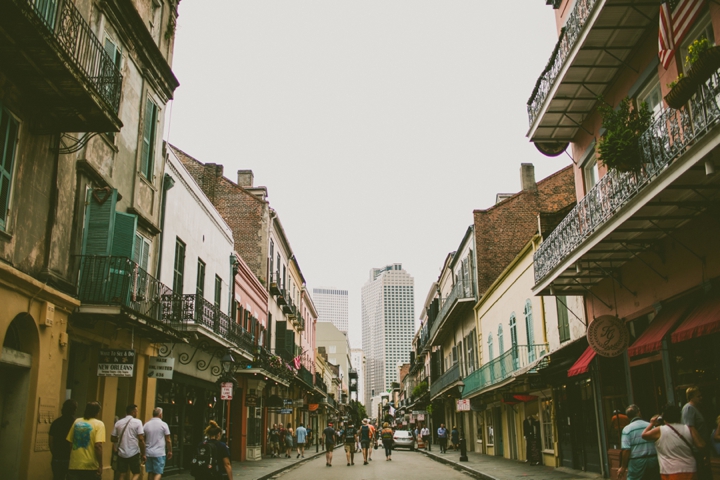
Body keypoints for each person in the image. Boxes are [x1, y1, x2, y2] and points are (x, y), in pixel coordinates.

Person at [642, 404, 706, 480]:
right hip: (690, 469)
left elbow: (644, 435)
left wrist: (652, 423)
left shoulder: (660, 430)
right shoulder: (689, 428)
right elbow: (701, 445)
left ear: (664, 418)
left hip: (670, 470)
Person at [617, 405, 659, 480]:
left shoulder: (627, 429)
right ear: (639, 413)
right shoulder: (650, 426)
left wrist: (623, 467)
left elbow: (626, 450)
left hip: (636, 462)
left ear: (627, 417)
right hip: (653, 459)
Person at [67, 401, 105, 480]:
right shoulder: (99, 424)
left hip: (75, 464)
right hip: (90, 466)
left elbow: (70, 443)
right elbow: (98, 446)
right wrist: (100, 465)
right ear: (97, 412)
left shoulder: (77, 422)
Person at [111, 404, 145, 480]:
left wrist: (122, 439)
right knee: (136, 473)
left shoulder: (118, 422)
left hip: (121, 453)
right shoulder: (138, 422)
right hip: (134, 452)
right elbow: (141, 439)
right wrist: (144, 453)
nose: (137, 413)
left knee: (122, 474)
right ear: (133, 412)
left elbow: (112, 438)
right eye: (136, 411)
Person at [50, 399, 77, 480]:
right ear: (74, 410)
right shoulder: (75, 423)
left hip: (57, 457)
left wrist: (54, 453)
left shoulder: (56, 422)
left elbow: (50, 442)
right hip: (70, 458)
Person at [143, 407, 172, 480]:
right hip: (159, 453)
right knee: (158, 473)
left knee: (150, 472)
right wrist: (170, 450)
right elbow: (168, 440)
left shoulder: (146, 424)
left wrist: (143, 452)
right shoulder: (164, 424)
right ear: (160, 414)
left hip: (148, 452)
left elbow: (143, 439)